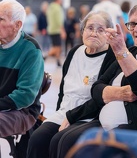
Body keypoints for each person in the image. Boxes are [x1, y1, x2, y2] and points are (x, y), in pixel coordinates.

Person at [47, 1, 137, 158]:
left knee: (87, 145)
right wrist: (118, 93)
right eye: (132, 24)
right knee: (62, 139)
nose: (136, 29)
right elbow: (97, 88)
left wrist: (121, 51)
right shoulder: (132, 51)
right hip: (108, 120)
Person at [27, 10, 116, 158]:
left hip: (90, 116)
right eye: (90, 28)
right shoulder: (75, 52)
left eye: (101, 30)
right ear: (82, 31)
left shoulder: (111, 57)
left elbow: (101, 99)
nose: (94, 33)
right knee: (38, 138)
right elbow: (63, 90)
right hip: (65, 112)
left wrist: (71, 116)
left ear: (109, 35)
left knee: (60, 140)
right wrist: (59, 113)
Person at [0, 0, 44, 137]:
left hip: (23, 111)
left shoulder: (31, 50)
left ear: (17, 25)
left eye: (0, 19)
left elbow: (25, 96)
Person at [46, 0, 66, 67]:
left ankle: (58, 61)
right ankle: (44, 57)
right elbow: (59, 20)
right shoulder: (57, 8)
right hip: (57, 30)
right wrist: (63, 31)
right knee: (57, 47)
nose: (62, 1)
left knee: (57, 47)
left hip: (51, 29)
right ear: (58, 0)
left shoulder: (50, 7)